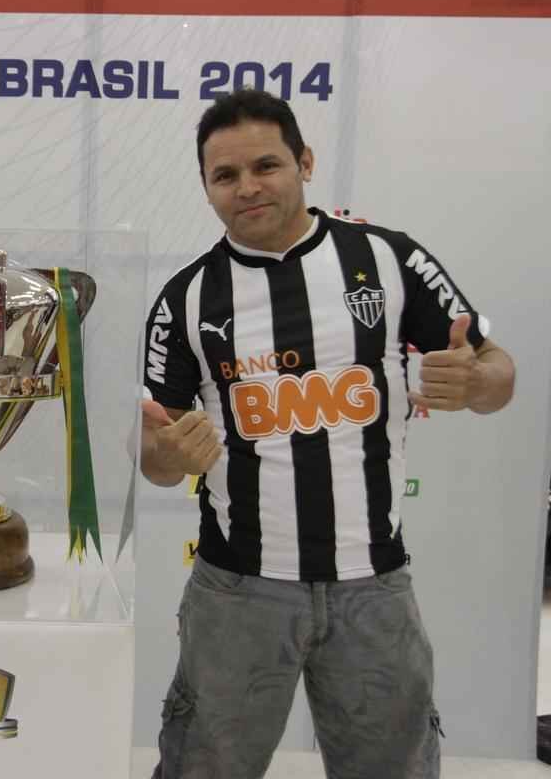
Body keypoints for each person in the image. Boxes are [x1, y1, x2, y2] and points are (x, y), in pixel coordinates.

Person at [140, 88, 514, 779]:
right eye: (225, 176)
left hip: (374, 588)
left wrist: (481, 383)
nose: (247, 187)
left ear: (305, 162)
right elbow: (157, 458)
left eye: (266, 165)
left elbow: (496, 369)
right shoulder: (184, 299)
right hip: (237, 593)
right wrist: (164, 456)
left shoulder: (389, 259)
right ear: (206, 188)